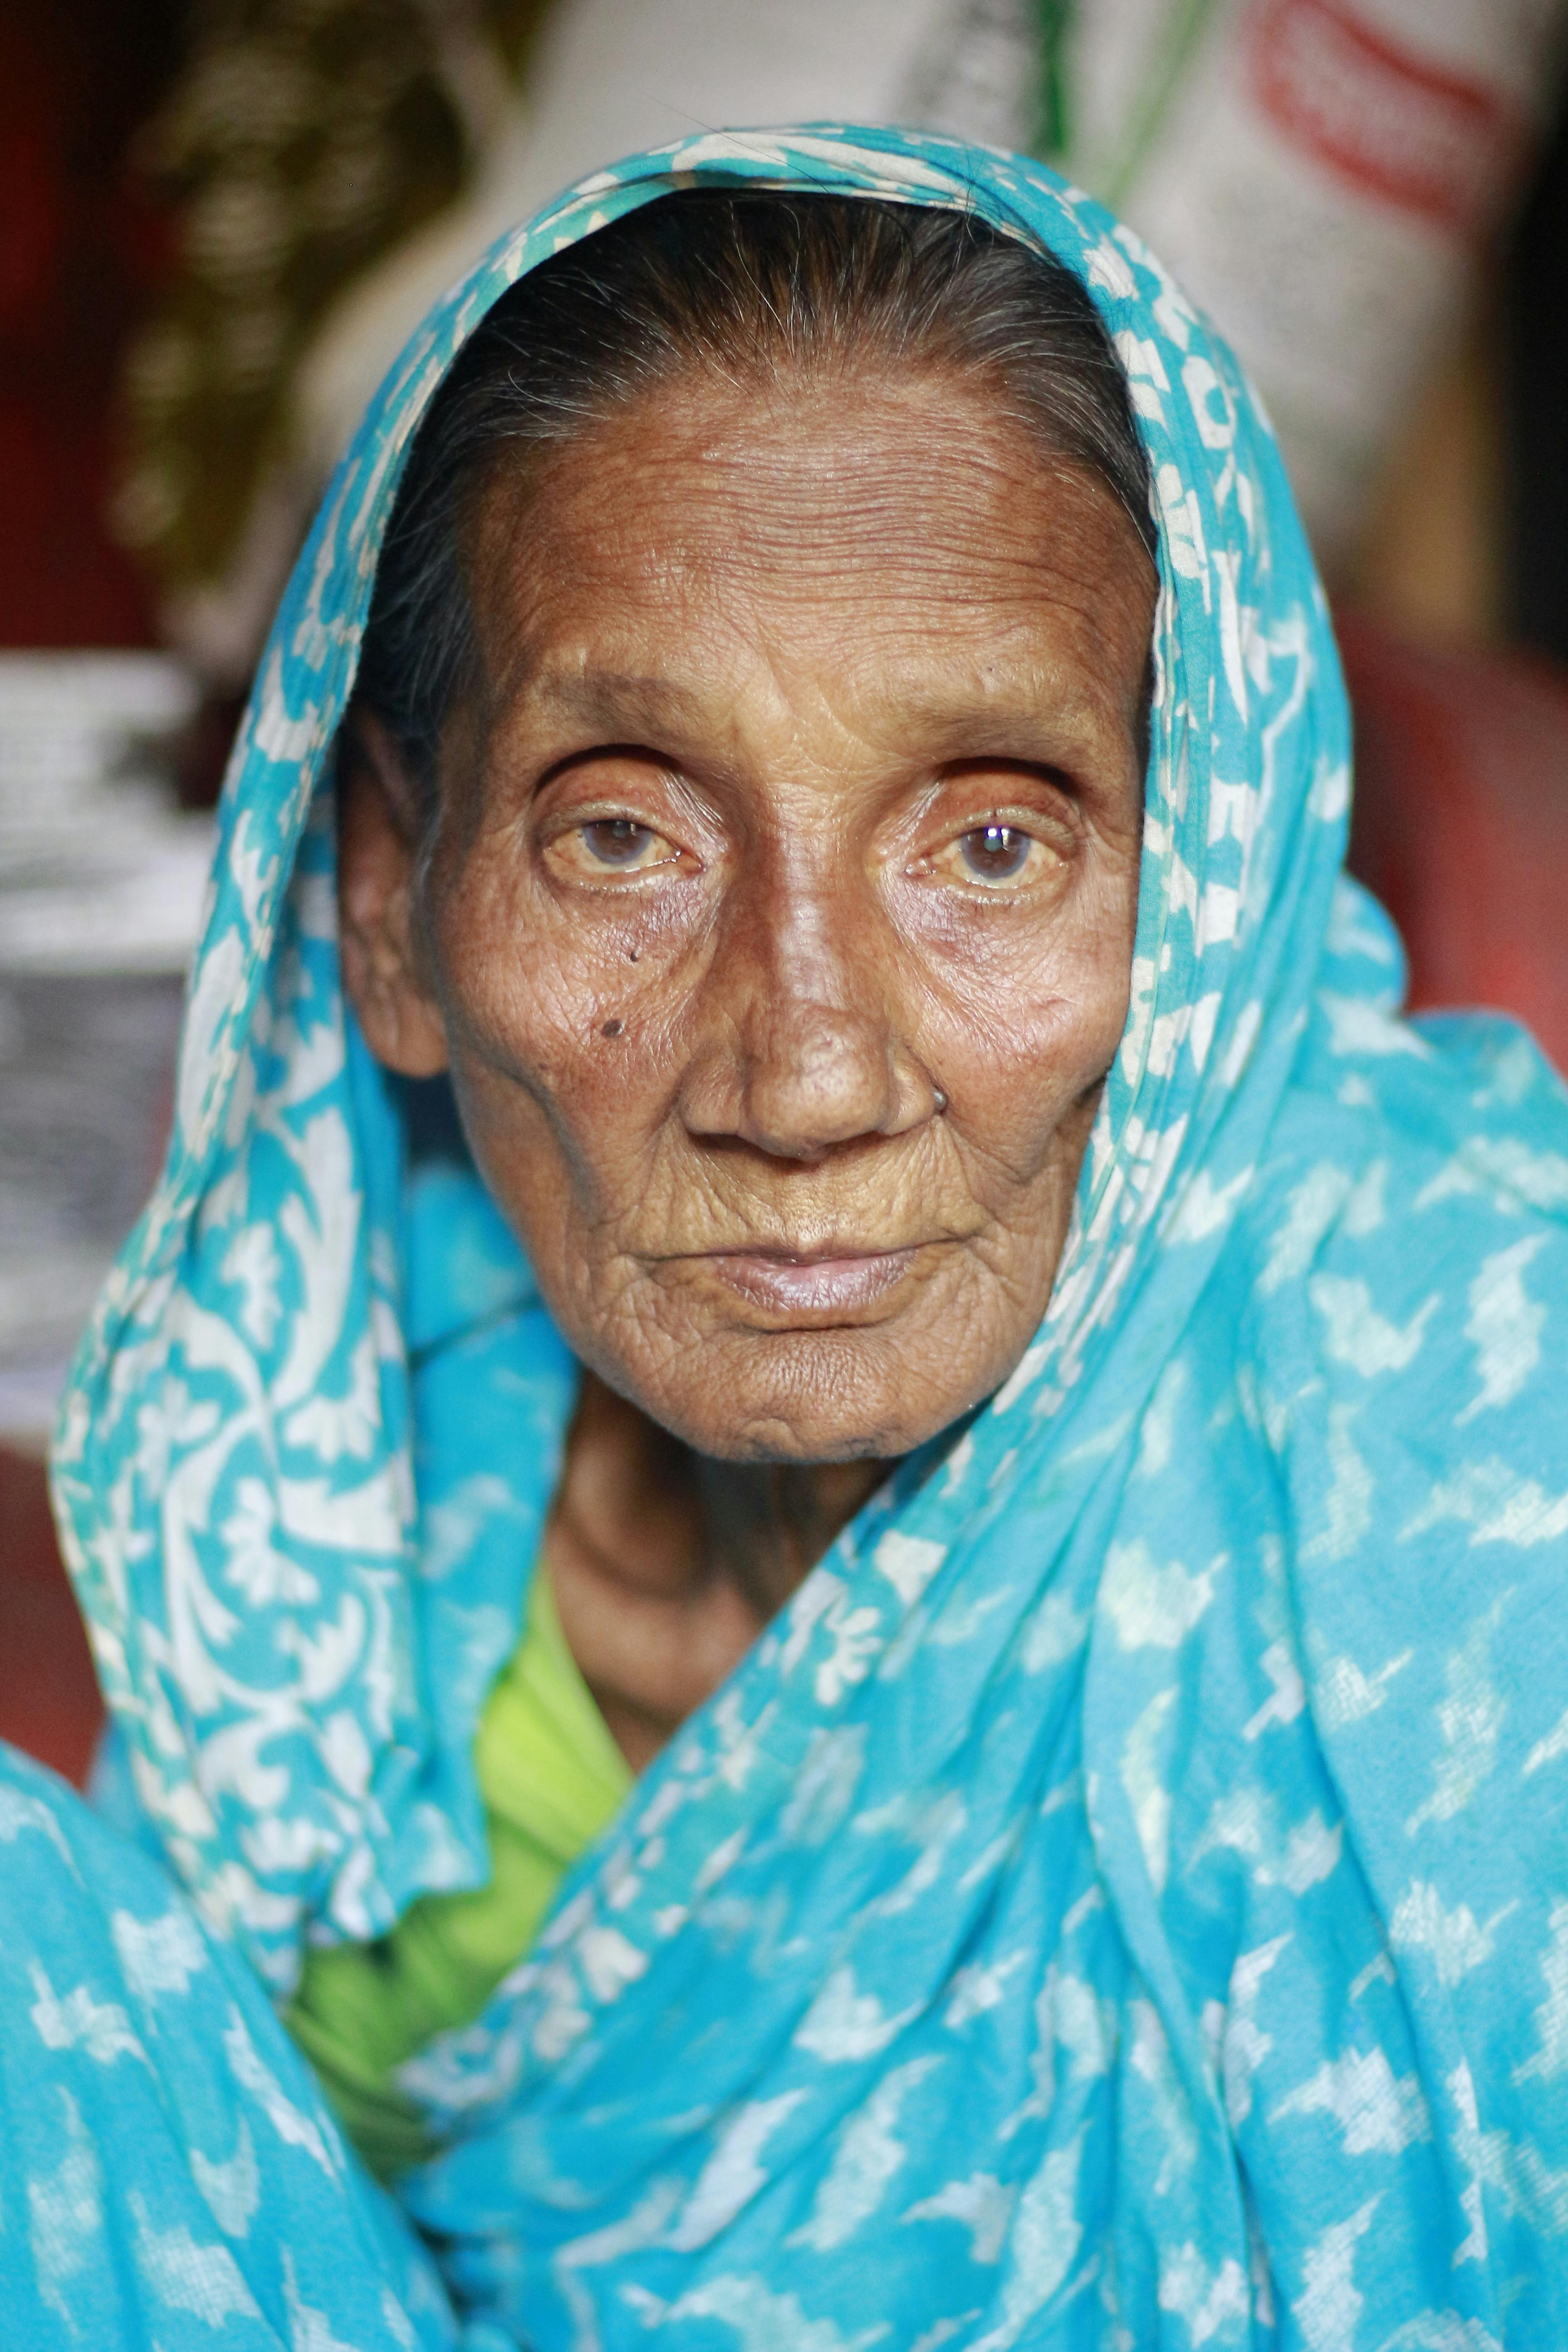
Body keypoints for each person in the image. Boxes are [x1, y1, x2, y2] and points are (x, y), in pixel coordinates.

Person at [28, 127, 1568, 2346]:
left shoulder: (1467, 1465)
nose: (810, 1071)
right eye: (627, 834)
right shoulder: (318, 1568)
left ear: (1207, 889)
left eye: (998, 848)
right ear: (386, 903)